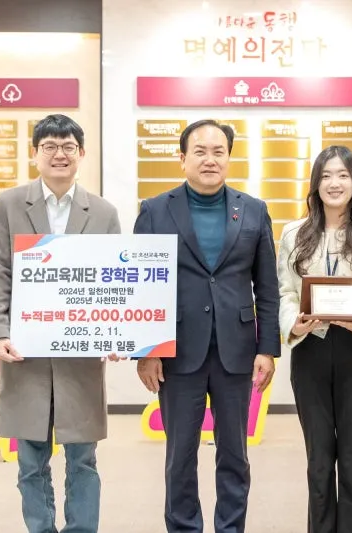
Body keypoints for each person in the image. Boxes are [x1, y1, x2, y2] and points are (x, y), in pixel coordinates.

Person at [133, 119, 280, 533]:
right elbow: (140, 285)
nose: (210, 159)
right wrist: (146, 351)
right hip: (177, 352)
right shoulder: (155, 210)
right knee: (180, 456)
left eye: (219, 152)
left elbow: (267, 287)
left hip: (237, 351)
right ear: (182, 159)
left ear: (229, 158)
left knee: (235, 455)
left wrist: (267, 348)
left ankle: (230, 528)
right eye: (200, 151)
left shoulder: (253, 210)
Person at [0, 114, 121, 533]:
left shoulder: (103, 212)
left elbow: (114, 280)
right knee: (30, 461)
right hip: (26, 354)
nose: (59, 154)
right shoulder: (8, 205)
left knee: (83, 460)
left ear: (81, 153)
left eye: (68, 147)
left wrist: (117, 332)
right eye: (49, 146)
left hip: (80, 357)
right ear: (35, 153)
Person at [276, 145, 352, 533]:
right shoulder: (294, 233)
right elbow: (285, 292)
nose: (334, 183)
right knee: (320, 460)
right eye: (326, 175)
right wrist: (294, 324)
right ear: (315, 184)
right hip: (309, 350)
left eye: (343, 175)